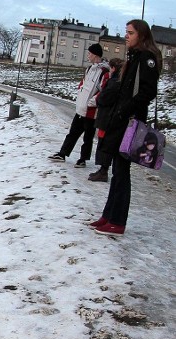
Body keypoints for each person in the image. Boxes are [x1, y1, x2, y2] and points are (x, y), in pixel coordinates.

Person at [90, 19, 161, 236]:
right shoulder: (135, 57)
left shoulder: (146, 58)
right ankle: (109, 215)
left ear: (141, 35)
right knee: (117, 170)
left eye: (130, 33)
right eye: (126, 32)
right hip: (122, 119)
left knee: (122, 172)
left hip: (129, 122)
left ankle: (117, 221)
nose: (126, 36)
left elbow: (147, 92)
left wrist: (124, 110)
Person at [47, 43, 109, 168]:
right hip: (81, 109)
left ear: (96, 55)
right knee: (72, 133)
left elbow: (103, 91)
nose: (88, 55)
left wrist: (91, 102)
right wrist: (80, 97)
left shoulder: (104, 72)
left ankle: (83, 159)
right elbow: (82, 85)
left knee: (88, 137)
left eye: (90, 53)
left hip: (91, 112)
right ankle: (63, 153)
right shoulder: (89, 69)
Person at [89, 57, 124, 181]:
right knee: (105, 144)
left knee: (104, 144)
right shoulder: (121, 82)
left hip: (107, 118)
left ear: (114, 68)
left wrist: (99, 99)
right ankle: (103, 170)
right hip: (110, 118)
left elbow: (102, 98)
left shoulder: (114, 83)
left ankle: (103, 171)